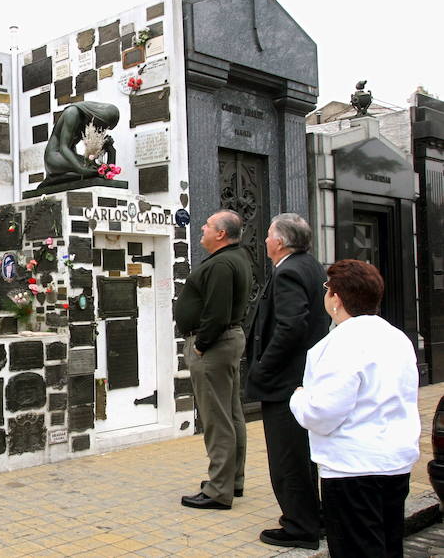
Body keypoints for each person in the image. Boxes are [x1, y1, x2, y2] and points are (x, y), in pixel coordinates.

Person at [289, 260, 420, 557]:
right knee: (388, 545)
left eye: (327, 289)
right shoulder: (397, 338)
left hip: (353, 467)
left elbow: (322, 414)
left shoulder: (340, 344)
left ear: (336, 298)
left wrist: (298, 398)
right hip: (395, 461)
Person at [245, 213, 328, 550]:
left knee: (287, 458)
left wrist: (263, 367)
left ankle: (299, 526)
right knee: (302, 455)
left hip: (286, 381)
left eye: (267, 235)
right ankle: (314, 517)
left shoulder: (290, 271)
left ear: (279, 241)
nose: (264, 240)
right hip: (300, 378)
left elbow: (291, 326)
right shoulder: (310, 265)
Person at [175, 210, 253, 509]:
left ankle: (219, 490)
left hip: (214, 346)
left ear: (221, 234)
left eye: (207, 226)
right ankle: (232, 480)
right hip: (225, 342)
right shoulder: (236, 258)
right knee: (231, 413)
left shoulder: (222, 263)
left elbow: (217, 311)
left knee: (216, 419)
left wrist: (201, 344)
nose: (202, 229)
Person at [40, 101, 119, 188]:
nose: (102, 130)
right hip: (55, 156)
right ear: (100, 117)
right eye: (104, 126)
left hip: (69, 156)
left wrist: (110, 150)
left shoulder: (88, 121)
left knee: (100, 170)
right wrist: (80, 168)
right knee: (94, 172)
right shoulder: (72, 113)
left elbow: (96, 159)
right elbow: (64, 147)